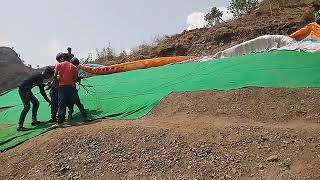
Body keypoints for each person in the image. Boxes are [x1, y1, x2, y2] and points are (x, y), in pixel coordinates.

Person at [17, 67, 54, 131]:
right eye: (49, 76)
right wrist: (49, 101)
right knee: (27, 107)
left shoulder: (40, 75)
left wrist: (45, 84)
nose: (49, 78)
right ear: (46, 73)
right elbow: (42, 92)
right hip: (23, 90)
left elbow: (38, 84)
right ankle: (20, 126)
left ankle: (34, 121)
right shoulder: (40, 77)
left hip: (27, 90)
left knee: (36, 103)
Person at [54, 54, 85, 126]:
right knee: (78, 102)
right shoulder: (74, 67)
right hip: (71, 88)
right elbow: (75, 79)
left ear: (62, 58)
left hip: (62, 88)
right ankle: (84, 116)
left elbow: (55, 76)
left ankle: (60, 122)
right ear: (69, 59)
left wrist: (58, 82)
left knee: (61, 105)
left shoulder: (58, 65)